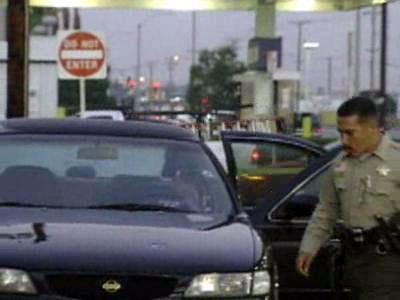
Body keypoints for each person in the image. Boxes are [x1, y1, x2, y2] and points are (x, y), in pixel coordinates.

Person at [296, 96, 400, 300]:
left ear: (372, 128)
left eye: (350, 133)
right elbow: (326, 209)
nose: (344, 140)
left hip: (388, 259)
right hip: (352, 259)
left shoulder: (397, 160)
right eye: (340, 133)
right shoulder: (340, 164)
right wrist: (309, 247)